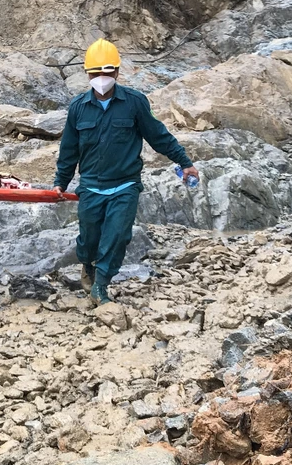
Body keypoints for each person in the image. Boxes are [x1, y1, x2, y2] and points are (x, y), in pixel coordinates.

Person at [54, 39, 199, 306]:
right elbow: (69, 149)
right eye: (95, 73)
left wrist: (184, 162)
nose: (101, 78)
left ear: (117, 73)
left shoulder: (134, 103)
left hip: (125, 185)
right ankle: (87, 262)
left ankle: (101, 285)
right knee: (89, 237)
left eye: (107, 72)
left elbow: (159, 136)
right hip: (91, 185)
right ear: (87, 74)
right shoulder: (78, 107)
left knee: (117, 235)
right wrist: (60, 183)